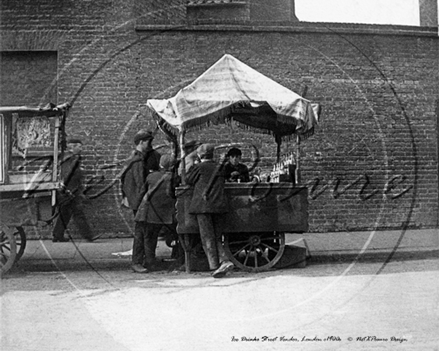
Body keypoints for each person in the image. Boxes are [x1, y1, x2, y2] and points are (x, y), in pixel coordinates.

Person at [186, 143, 234, 278]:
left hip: (203, 207)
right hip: (219, 206)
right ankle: (224, 260)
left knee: (207, 236)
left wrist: (194, 164)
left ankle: (215, 266)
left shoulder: (198, 167)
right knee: (217, 236)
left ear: (200, 155)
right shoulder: (221, 168)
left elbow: (188, 180)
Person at [120, 130, 161, 273]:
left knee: (144, 231)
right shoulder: (138, 161)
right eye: (148, 142)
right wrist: (146, 197)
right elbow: (140, 183)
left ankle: (145, 260)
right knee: (141, 232)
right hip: (140, 201)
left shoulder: (134, 158)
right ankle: (137, 262)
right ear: (142, 142)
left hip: (137, 200)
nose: (150, 144)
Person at [134, 154, 181, 272]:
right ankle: (176, 259)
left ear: (161, 164)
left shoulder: (151, 177)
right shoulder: (175, 178)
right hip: (165, 214)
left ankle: (145, 262)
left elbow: (141, 194)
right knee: (155, 237)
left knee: (146, 237)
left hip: (148, 212)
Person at [52, 138, 97, 242]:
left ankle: (57, 234)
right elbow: (67, 175)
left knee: (65, 213)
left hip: (70, 190)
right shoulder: (70, 158)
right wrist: (70, 190)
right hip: (71, 191)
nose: (81, 149)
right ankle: (88, 236)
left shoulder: (70, 157)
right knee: (78, 213)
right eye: (79, 146)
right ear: (72, 147)